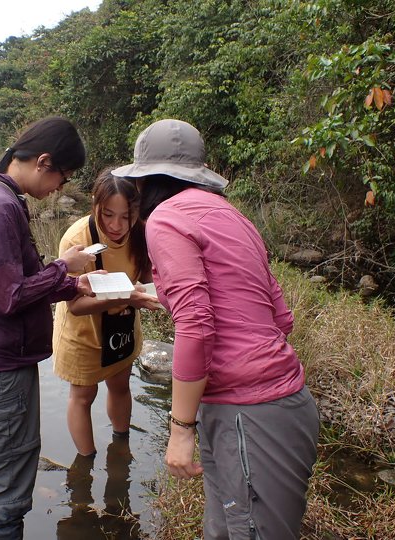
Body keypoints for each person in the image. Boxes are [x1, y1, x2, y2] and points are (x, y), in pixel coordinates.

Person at [112, 119, 320, 540]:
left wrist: (180, 429)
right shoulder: (233, 216)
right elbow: (281, 317)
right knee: (224, 528)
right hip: (282, 404)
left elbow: (196, 325)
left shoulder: (166, 219)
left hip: (248, 415)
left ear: (144, 182)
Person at [0, 116, 97, 540]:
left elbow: (9, 282)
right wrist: (62, 268)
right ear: (43, 161)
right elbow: (7, 296)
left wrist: (68, 283)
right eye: (62, 177)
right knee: (10, 475)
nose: (60, 188)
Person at [52, 171, 161, 457]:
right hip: (83, 333)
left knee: (120, 384)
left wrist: (147, 292)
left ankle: (121, 448)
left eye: (126, 216)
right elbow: (74, 306)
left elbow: (148, 276)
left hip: (121, 326)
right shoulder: (77, 239)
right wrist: (128, 296)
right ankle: (86, 464)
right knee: (83, 396)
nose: (116, 226)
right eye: (108, 214)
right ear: (94, 204)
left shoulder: (141, 231)